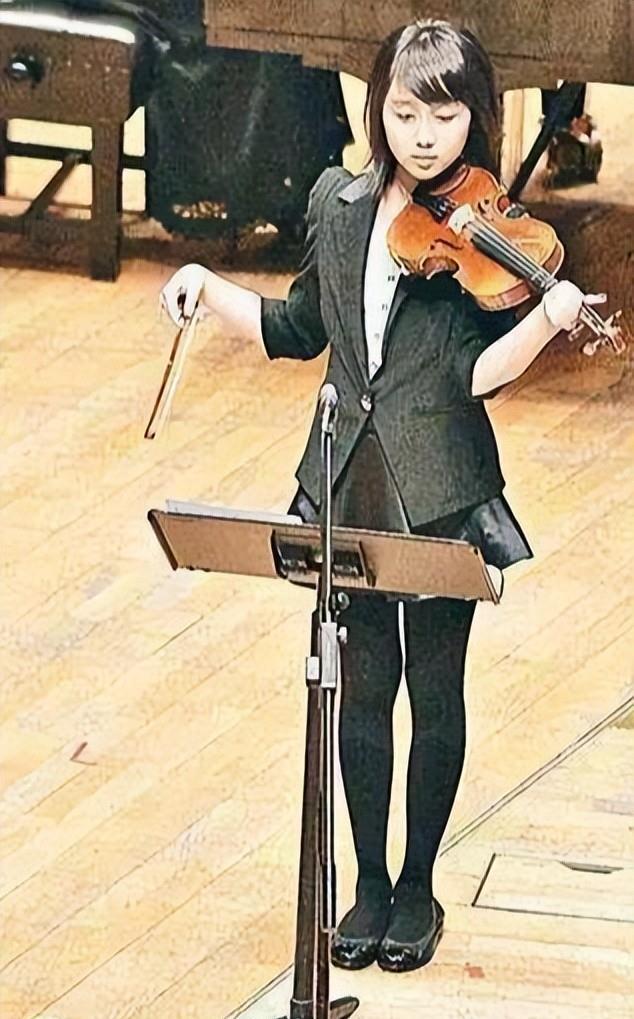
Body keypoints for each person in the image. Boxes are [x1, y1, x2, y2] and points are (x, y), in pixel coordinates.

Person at [159, 20, 605, 975]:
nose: (425, 136)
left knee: (435, 690)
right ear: (379, 111)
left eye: (445, 117)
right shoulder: (337, 202)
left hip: (443, 485)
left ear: (477, 119)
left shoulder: (488, 230)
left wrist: (547, 321)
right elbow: (295, 326)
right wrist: (205, 285)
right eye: (406, 114)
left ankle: (418, 885)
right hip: (348, 478)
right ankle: (366, 881)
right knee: (360, 689)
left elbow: (475, 378)